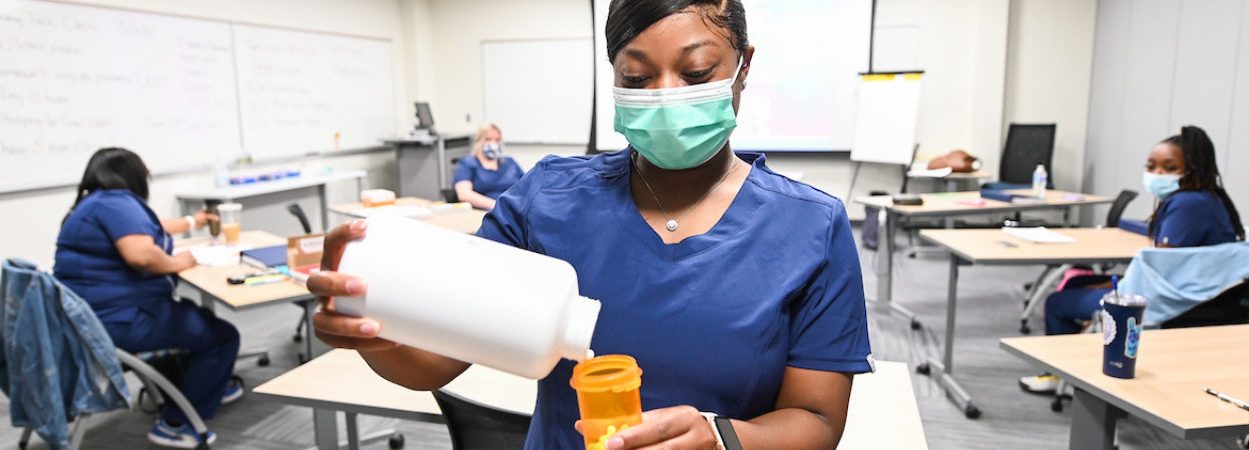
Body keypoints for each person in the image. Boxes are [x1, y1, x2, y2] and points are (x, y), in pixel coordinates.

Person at [308, 1, 872, 449]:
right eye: (637, 76)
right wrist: (372, 330)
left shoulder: (810, 227)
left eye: (696, 72)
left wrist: (723, 439)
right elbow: (435, 361)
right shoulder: (546, 201)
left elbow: (817, 418)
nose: (666, 97)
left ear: (743, 67)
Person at [1021, 125, 1244, 393]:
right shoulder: (1209, 198)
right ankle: (1076, 368)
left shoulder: (1188, 204)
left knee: (1057, 303)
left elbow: (1160, 274)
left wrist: (1110, 288)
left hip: (1175, 297)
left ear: (1193, 168)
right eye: (1151, 166)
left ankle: (1064, 376)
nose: (1156, 175)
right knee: (1074, 285)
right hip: (1198, 291)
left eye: (1169, 168)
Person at [53, 148, 243, 448]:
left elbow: (151, 226)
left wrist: (192, 222)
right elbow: (141, 255)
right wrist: (181, 262)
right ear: (131, 174)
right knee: (222, 336)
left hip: (92, 318)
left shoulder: (96, 203)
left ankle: (195, 386)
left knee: (194, 312)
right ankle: (176, 422)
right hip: (117, 323)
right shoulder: (117, 203)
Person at [452, 122, 524, 210]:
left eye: (497, 140)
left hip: (514, 210)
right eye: (488, 139)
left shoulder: (510, 163)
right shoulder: (468, 163)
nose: (493, 143)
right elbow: (464, 194)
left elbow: (527, 186)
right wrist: (498, 206)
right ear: (479, 141)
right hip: (484, 213)